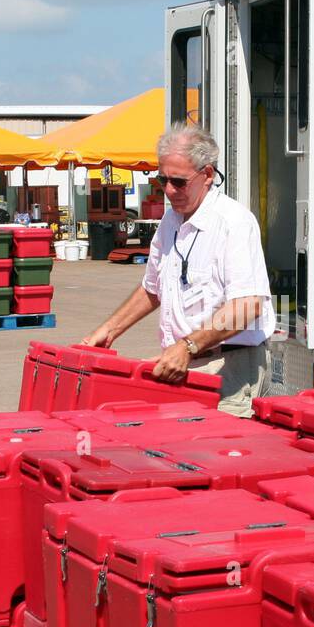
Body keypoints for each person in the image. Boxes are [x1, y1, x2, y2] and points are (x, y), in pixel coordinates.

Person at [82, 124, 275, 417]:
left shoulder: (233, 224)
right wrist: (108, 331)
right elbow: (153, 287)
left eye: (179, 182)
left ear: (208, 175)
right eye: (163, 180)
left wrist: (187, 346)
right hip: (187, 361)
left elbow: (246, 307)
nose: (169, 190)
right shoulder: (170, 222)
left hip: (229, 367)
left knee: (215, 456)